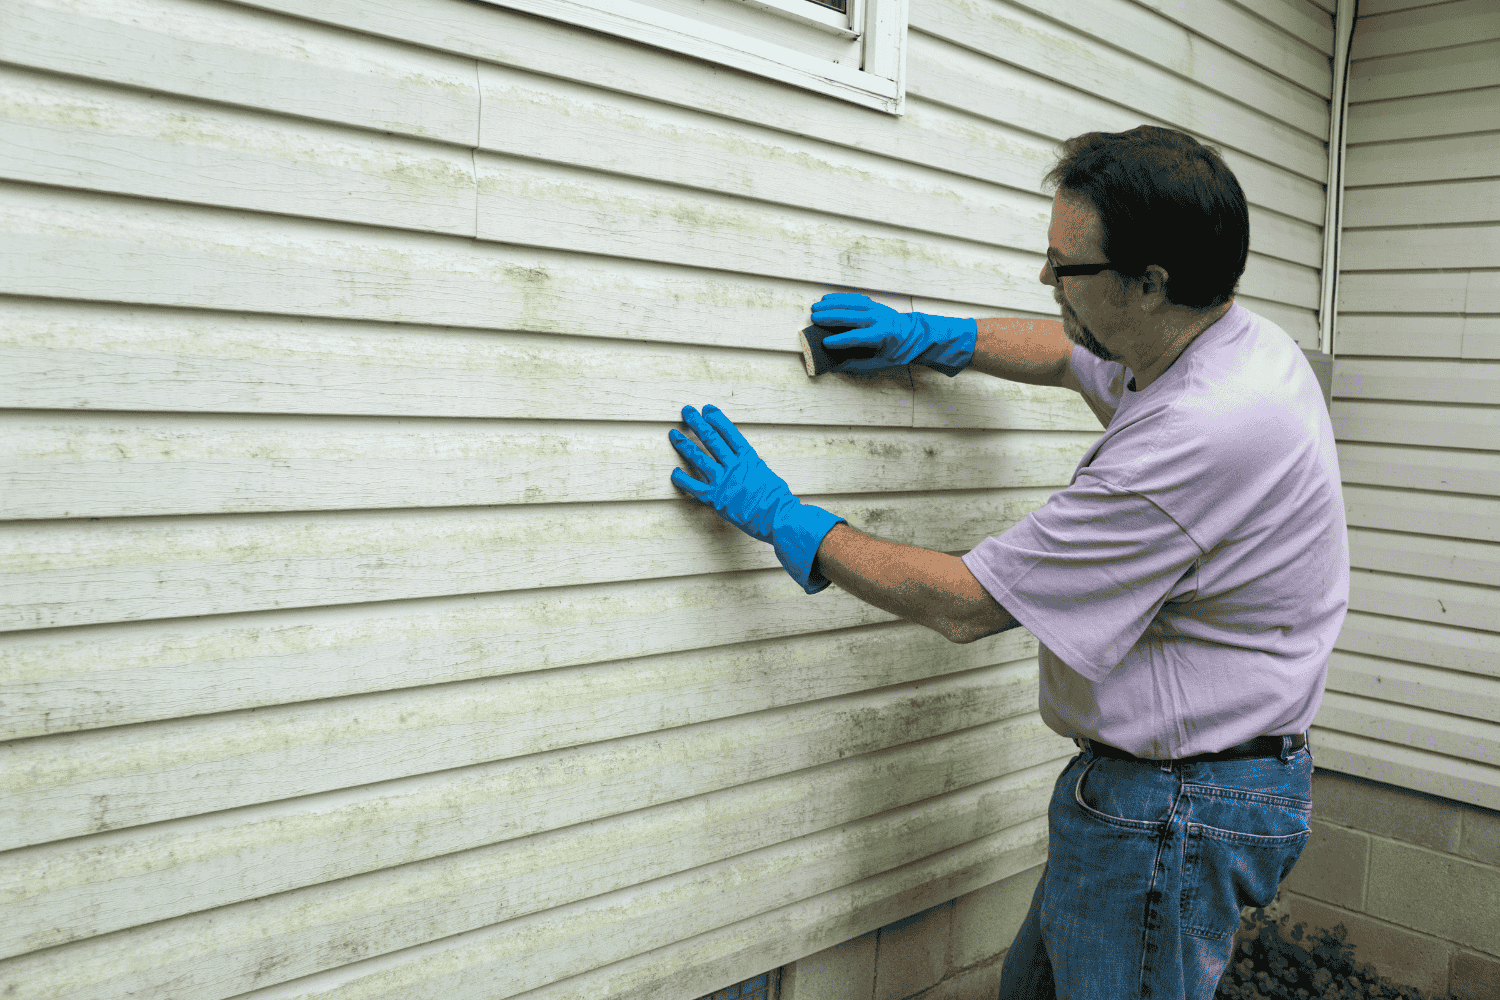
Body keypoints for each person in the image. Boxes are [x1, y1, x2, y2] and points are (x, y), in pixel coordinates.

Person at [667, 124, 1350, 999]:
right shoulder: (1217, 342)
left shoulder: (1199, 436)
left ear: (1150, 284)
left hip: (1174, 814)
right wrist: (933, 336)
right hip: (1169, 793)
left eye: (1066, 268)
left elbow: (965, 603)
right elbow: (1073, 355)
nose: (1044, 280)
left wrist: (783, 518)